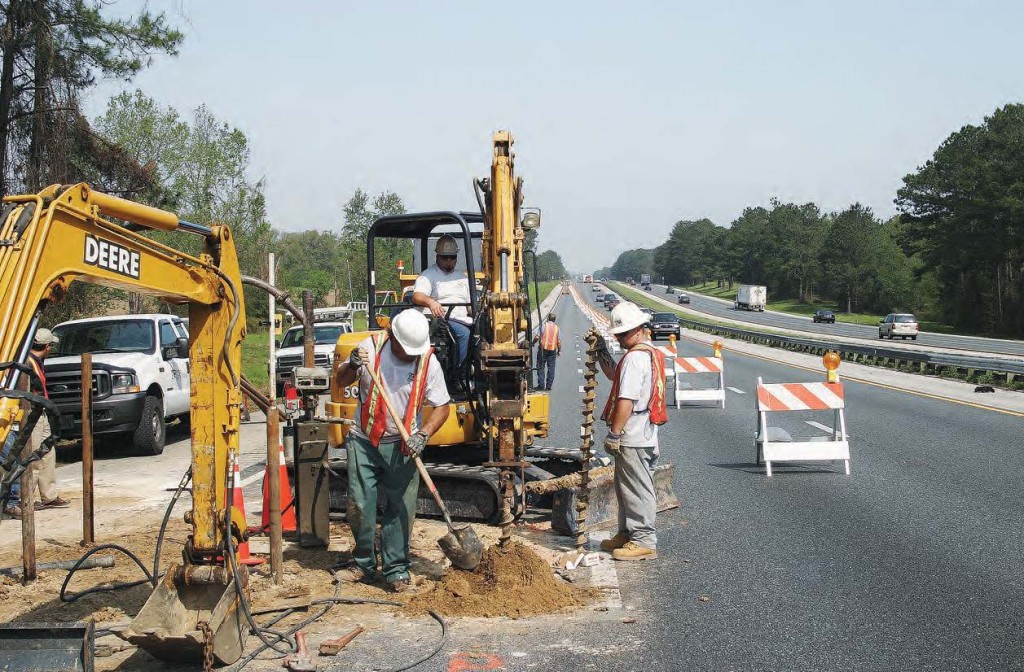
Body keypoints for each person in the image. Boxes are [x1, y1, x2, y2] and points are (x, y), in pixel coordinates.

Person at [333, 310, 451, 592]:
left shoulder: (428, 363)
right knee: (361, 503)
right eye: (405, 350)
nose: (411, 355)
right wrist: (350, 365)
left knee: (401, 508)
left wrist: (424, 434)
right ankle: (363, 563)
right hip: (364, 440)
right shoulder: (368, 350)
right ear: (393, 337)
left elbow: (442, 407)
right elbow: (340, 381)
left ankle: (396, 568)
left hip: (403, 444)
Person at [594, 302, 667, 562]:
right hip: (642, 431)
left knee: (637, 488)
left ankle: (644, 540)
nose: (620, 339)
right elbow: (617, 375)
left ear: (639, 329)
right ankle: (627, 533)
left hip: (633, 433)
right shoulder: (647, 353)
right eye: (617, 335)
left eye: (622, 334)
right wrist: (603, 353)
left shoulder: (636, 357)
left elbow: (626, 397)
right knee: (625, 487)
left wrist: (615, 433)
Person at [4, 329, 70, 517]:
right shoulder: (27, 362)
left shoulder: (35, 361)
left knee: (48, 451)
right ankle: (27, 498)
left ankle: (48, 495)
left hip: (42, 412)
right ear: (48, 346)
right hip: (32, 413)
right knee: (32, 455)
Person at [411, 234, 473, 365]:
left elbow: (470, 306)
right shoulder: (428, 275)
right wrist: (431, 302)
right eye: (445, 257)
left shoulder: (462, 277)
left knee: (484, 329)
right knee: (464, 333)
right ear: (437, 256)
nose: (449, 260)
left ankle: (477, 370)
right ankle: (459, 372)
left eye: (453, 257)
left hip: (462, 318)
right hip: (442, 319)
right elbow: (417, 296)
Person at [535, 313, 561, 391]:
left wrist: (533, 343)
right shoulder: (557, 328)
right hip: (552, 350)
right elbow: (559, 342)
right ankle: (548, 386)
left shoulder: (543, 326)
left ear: (547, 318)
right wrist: (559, 351)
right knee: (551, 368)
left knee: (540, 366)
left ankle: (541, 385)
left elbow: (537, 337)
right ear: (554, 320)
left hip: (543, 349)